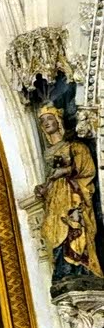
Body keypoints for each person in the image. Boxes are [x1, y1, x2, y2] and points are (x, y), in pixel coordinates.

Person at [35, 103, 103, 283]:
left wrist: (65, 171)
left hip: (73, 193)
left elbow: (87, 169)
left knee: (73, 225)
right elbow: (50, 178)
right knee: (53, 230)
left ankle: (78, 268)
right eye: (42, 121)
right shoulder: (47, 153)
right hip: (55, 198)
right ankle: (62, 269)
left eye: (49, 119)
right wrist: (43, 189)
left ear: (58, 121)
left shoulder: (75, 147)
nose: (46, 123)